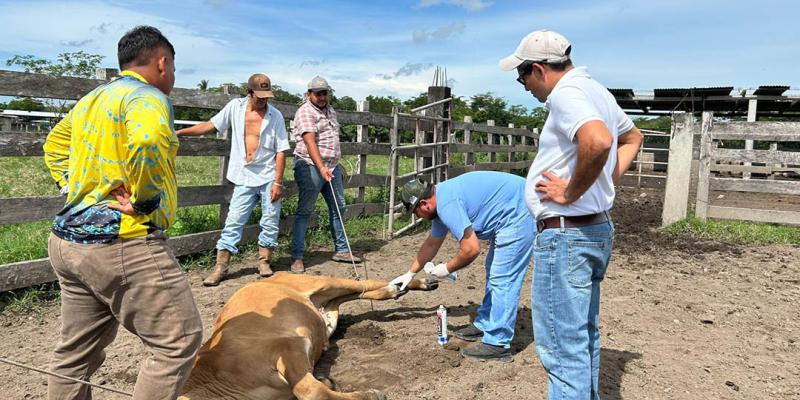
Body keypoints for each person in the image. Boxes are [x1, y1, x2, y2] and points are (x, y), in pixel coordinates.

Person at [42, 26, 203, 399]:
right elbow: (147, 140)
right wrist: (145, 202)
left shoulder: (91, 100)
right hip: (122, 243)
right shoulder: (146, 97)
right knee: (177, 342)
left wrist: (75, 187)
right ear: (163, 62)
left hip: (68, 243)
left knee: (74, 353)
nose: (173, 76)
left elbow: (54, 144)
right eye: (174, 67)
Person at [499, 29, 644, 399]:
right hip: (594, 230)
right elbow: (634, 138)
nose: (524, 86)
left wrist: (572, 190)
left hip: (566, 234)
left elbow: (599, 141)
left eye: (522, 76)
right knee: (582, 334)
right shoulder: (598, 91)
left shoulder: (566, 94)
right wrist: (603, 178)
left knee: (562, 347)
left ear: (538, 69)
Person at [390, 171, 535, 362]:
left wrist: (448, 268)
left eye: (415, 212)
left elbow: (471, 249)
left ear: (424, 204)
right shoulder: (439, 206)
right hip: (511, 212)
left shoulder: (447, 204)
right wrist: (409, 273)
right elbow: (432, 243)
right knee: (494, 271)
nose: (417, 217)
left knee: (503, 278)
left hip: (519, 213)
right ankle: (485, 323)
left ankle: (498, 343)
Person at [176, 73, 290, 286]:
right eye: (260, 96)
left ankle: (264, 261)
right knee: (234, 220)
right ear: (249, 92)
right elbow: (211, 125)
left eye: (267, 96)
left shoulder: (275, 116)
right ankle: (221, 266)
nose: (264, 100)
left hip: (267, 174)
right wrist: (182, 132)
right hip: (244, 175)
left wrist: (277, 182)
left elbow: (282, 150)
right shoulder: (235, 108)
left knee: (270, 220)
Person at [290, 75, 361, 273]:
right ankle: (297, 256)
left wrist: (335, 165)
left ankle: (342, 249)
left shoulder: (330, 111)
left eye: (325, 93)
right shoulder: (305, 112)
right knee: (305, 210)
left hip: (332, 167)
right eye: (318, 93)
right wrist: (321, 167)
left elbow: (331, 140)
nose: (322, 97)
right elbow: (310, 142)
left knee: (339, 206)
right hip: (310, 165)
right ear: (309, 94)